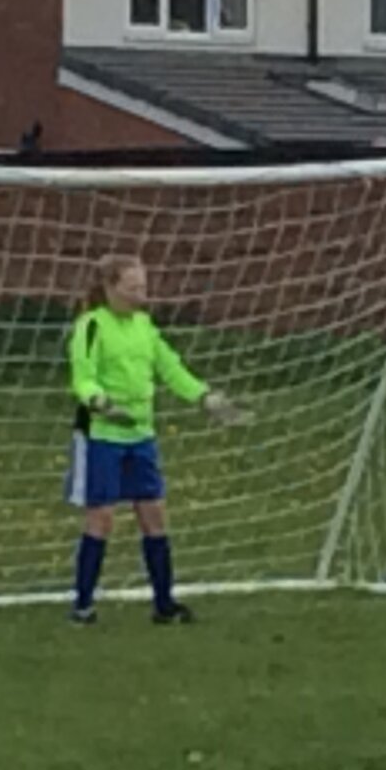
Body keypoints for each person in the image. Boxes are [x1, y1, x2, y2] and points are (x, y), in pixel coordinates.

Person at [65, 253, 244, 626]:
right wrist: (100, 401)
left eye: (143, 287)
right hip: (103, 436)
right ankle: (82, 606)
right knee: (101, 518)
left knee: (154, 515)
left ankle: (164, 604)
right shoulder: (92, 325)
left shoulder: (145, 327)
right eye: (132, 288)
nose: (140, 295)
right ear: (110, 288)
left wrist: (203, 395)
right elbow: (82, 376)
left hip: (141, 435)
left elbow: (171, 367)